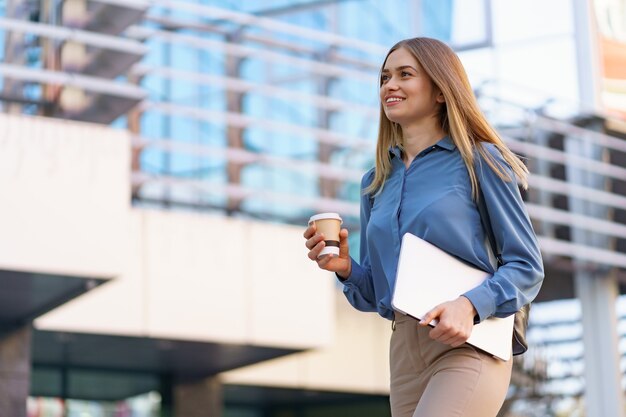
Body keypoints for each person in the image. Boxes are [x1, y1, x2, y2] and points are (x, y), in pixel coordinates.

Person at [303, 37, 544, 417]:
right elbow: (379, 297)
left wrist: (469, 305)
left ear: (439, 91)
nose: (390, 85)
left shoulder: (480, 162)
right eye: (384, 77)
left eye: (405, 75)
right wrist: (347, 269)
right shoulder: (376, 182)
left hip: (469, 344)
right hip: (404, 354)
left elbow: (527, 267)